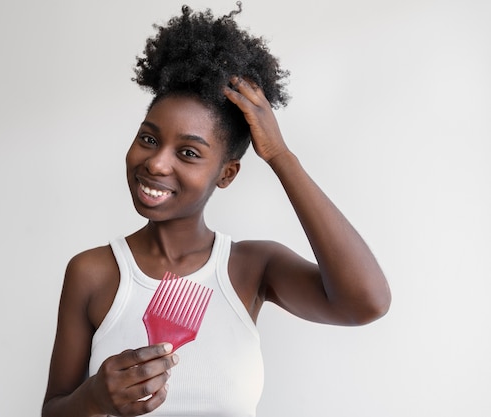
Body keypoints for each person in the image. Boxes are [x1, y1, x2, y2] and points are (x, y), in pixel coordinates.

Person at [42, 3, 391, 417]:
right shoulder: (92, 272)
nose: (156, 163)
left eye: (188, 152)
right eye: (149, 139)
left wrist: (280, 155)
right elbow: (54, 410)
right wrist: (93, 398)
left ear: (226, 174)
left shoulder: (253, 267)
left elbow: (366, 302)